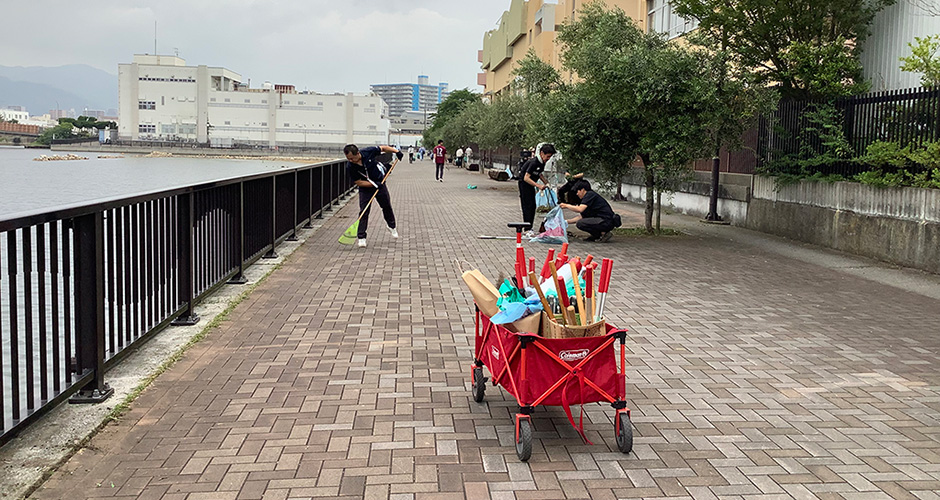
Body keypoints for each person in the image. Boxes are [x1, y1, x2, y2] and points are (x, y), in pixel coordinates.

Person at [344, 144, 403, 248]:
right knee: (364, 211)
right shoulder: (350, 166)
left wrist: (396, 152)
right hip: (366, 188)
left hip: (380, 183)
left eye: (352, 158)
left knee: (386, 206)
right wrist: (374, 184)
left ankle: (392, 226)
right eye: (348, 159)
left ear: (358, 153)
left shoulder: (368, 151)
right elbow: (359, 182)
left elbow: (383, 148)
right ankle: (361, 237)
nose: (351, 160)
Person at [518, 143, 555, 232]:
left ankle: (530, 227)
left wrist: (547, 183)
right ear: (542, 153)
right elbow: (526, 178)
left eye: (550, 157)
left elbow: (539, 174)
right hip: (524, 184)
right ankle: (527, 229)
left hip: (531, 185)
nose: (548, 159)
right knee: (528, 206)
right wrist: (538, 186)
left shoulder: (542, 163)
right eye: (548, 156)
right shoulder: (534, 162)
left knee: (533, 206)